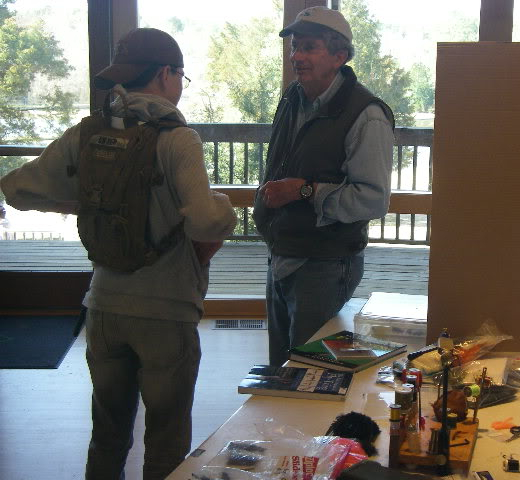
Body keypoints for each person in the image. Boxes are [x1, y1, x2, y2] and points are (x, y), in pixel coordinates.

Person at [0, 28, 237, 480]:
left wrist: (76, 203)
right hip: (166, 314)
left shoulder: (88, 133)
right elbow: (206, 221)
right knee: (165, 440)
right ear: (167, 74)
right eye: (180, 77)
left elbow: (15, 188)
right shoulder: (177, 139)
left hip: (103, 308)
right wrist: (225, 208)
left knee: (107, 434)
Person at [253, 6, 395, 367]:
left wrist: (305, 191)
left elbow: (373, 199)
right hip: (283, 253)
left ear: (339, 56)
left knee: (312, 374)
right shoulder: (291, 98)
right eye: (294, 47)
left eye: (309, 47)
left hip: (325, 264)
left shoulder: (367, 115)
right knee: (281, 370)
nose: (296, 57)